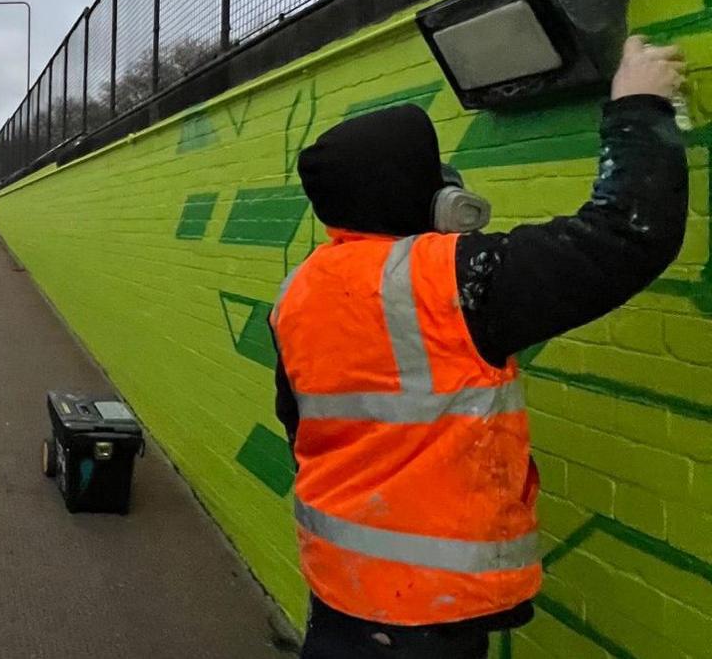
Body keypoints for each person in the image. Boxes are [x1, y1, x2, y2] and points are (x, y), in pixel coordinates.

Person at [271, 35, 688, 659]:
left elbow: (297, 421)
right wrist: (639, 106)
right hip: (422, 619)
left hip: (342, 586)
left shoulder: (301, 289)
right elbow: (624, 236)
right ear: (425, 194)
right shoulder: (448, 277)